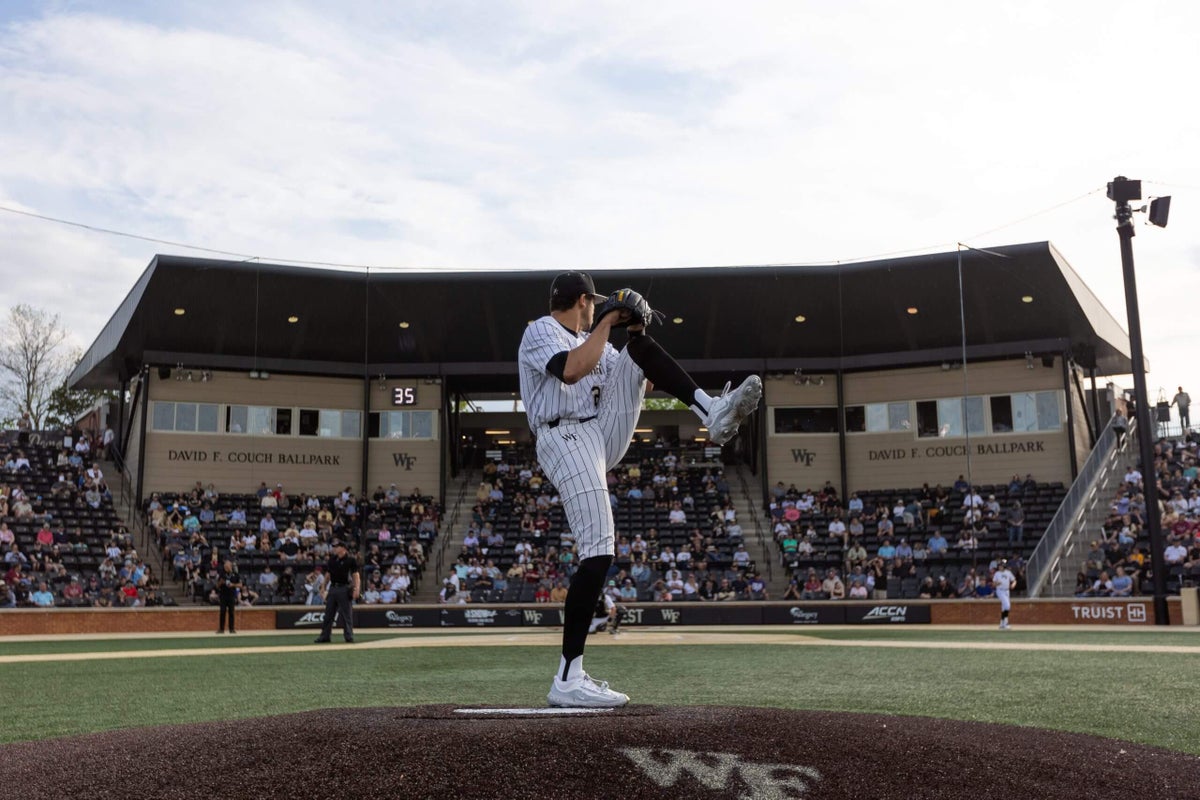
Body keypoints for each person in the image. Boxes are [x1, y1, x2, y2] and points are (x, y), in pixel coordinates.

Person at [519, 272, 762, 708]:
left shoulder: (601, 339)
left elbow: (644, 381)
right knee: (598, 550)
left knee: (639, 352)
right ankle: (568, 677)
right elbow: (572, 370)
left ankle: (712, 410)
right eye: (594, 304)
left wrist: (635, 331)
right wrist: (608, 321)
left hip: (600, 431)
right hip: (563, 437)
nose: (596, 309)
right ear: (583, 301)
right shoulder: (541, 329)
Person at [314, 540, 360, 644]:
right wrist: (323, 587)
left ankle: (348, 636)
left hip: (344, 588)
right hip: (333, 588)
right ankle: (325, 636)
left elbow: (355, 575)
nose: (334, 548)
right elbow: (328, 574)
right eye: (334, 547)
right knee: (328, 614)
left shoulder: (350, 560)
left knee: (346, 614)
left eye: (337, 546)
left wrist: (356, 589)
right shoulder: (332, 559)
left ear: (343, 548)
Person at [215, 559, 241, 634]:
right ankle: (221, 629)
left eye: (227, 566)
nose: (226, 568)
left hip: (231, 595)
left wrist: (233, 585)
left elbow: (240, 585)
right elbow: (217, 586)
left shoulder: (235, 574)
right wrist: (221, 582)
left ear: (230, 566)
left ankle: (231, 629)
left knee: (231, 612)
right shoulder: (222, 574)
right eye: (225, 566)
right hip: (223, 595)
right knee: (222, 612)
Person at [993, 559, 1016, 630]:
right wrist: (997, 583)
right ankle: (1005, 623)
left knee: (1004, 607)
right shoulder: (997, 573)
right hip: (1000, 590)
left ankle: (1002, 623)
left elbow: (1014, 580)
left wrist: (1013, 584)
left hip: (1007, 591)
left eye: (1001, 566)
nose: (1000, 567)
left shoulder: (1008, 572)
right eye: (999, 566)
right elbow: (993, 584)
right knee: (1007, 605)